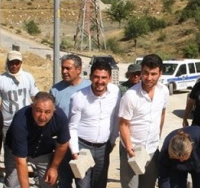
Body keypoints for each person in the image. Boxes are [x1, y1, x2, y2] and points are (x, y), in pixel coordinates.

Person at [119, 54, 169, 188]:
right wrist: (129, 149)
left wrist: (157, 135)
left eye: (153, 74)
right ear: (141, 71)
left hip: (152, 150)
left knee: (148, 185)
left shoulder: (163, 91)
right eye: (145, 73)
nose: (149, 78)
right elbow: (123, 124)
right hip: (132, 149)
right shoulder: (130, 96)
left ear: (160, 73)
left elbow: (162, 113)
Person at [68, 59, 121, 188]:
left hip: (104, 148)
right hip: (83, 148)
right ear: (91, 77)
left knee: (100, 184)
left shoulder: (115, 92)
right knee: (83, 185)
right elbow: (72, 126)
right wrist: (75, 152)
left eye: (104, 77)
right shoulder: (79, 97)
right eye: (96, 77)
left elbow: (116, 118)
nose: (100, 81)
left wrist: (112, 140)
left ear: (109, 78)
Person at [0, 50, 39, 188]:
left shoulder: (28, 77)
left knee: (30, 149)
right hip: (8, 123)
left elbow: (34, 97)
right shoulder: (0, 80)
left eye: (17, 63)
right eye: (12, 63)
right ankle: (12, 178)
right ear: (7, 63)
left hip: (26, 121)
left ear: (21, 63)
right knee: (10, 152)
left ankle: (32, 173)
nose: (14, 66)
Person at [10, 92, 71, 188]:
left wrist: (53, 168)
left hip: (43, 152)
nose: (42, 117)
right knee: (12, 184)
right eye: (38, 111)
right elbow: (20, 161)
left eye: (47, 112)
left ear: (54, 111)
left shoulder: (60, 118)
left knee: (49, 183)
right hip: (16, 151)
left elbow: (63, 144)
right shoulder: (20, 120)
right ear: (31, 107)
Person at [52, 54, 92, 188]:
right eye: (63, 68)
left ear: (79, 69)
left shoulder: (90, 88)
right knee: (63, 182)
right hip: (62, 144)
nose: (64, 71)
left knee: (83, 182)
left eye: (68, 68)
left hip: (83, 143)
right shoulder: (55, 90)